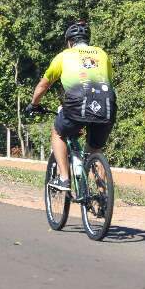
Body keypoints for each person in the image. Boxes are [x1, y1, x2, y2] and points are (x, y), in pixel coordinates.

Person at [26, 22, 116, 191]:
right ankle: (103, 195)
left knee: (58, 132)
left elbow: (43, 86)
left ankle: (64, 178)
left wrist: (34, 104)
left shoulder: (64, 56)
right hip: (107, 105)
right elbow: (108, 82)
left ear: (69, 42)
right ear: (87, 40)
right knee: (95, 150)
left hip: (76, 105)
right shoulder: (102, 54)